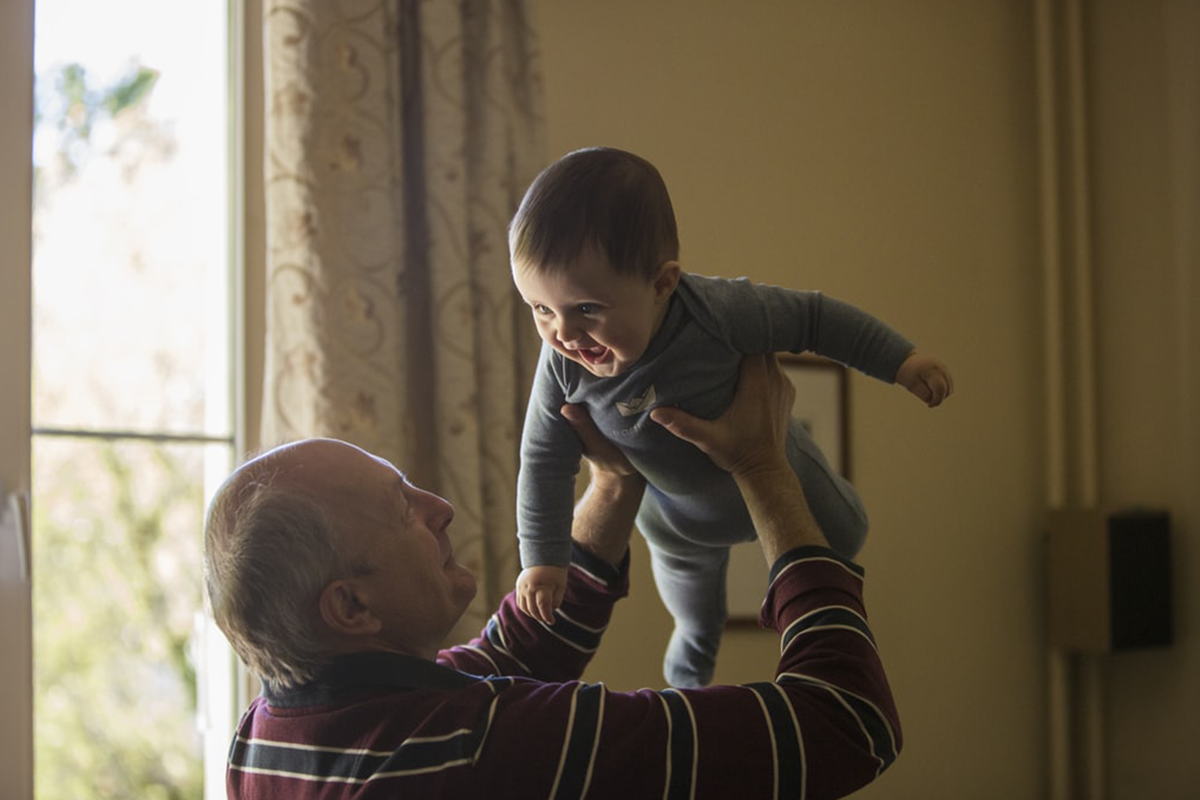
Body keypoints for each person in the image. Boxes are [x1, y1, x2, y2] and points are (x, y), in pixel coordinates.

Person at [204, 354, 902, 800]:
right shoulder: (482, 751)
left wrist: (612, 483)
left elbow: (511, 654)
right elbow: (844, 724)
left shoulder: (267, 736)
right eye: (402, 508)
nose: (441, 509)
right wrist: (762, 467)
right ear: (351, 606)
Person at [510, 146, 953, 686]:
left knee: (848, 535)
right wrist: (543, 559)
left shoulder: (718, 312)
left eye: (586, 309)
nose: (563, 334)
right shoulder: (561, 365)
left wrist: (901, 361)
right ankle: (688, 683)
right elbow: (542, 460)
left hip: (779, 468)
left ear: (661, 284)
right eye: (540, 309)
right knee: (695, 618)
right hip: (676, 522)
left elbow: (814, 318)